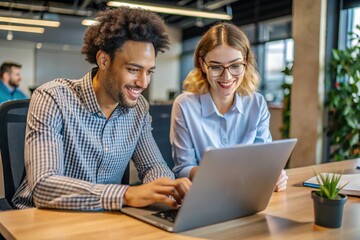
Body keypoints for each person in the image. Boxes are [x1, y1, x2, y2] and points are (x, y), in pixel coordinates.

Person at [13, 7, 191, 211]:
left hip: (102, 218)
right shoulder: (53, 97)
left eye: (149, 72)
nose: (143, 83)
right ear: (104, 60)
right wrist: (126, 194)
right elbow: (44, 185)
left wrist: (166, 189)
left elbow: (153, 166)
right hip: (42, 218)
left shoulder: (138, 108)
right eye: (133, 70)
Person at [170, 22, 288, 192]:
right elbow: (183, 169)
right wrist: (223, 177)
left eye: (235, 66)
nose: (227, 77)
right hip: (207, 194)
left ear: (245, 62)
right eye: (216, 67)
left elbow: (263, 159)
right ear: (203, 65)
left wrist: (274, 175)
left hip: (247, 193)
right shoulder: (185, 105)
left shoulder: (257, 103)